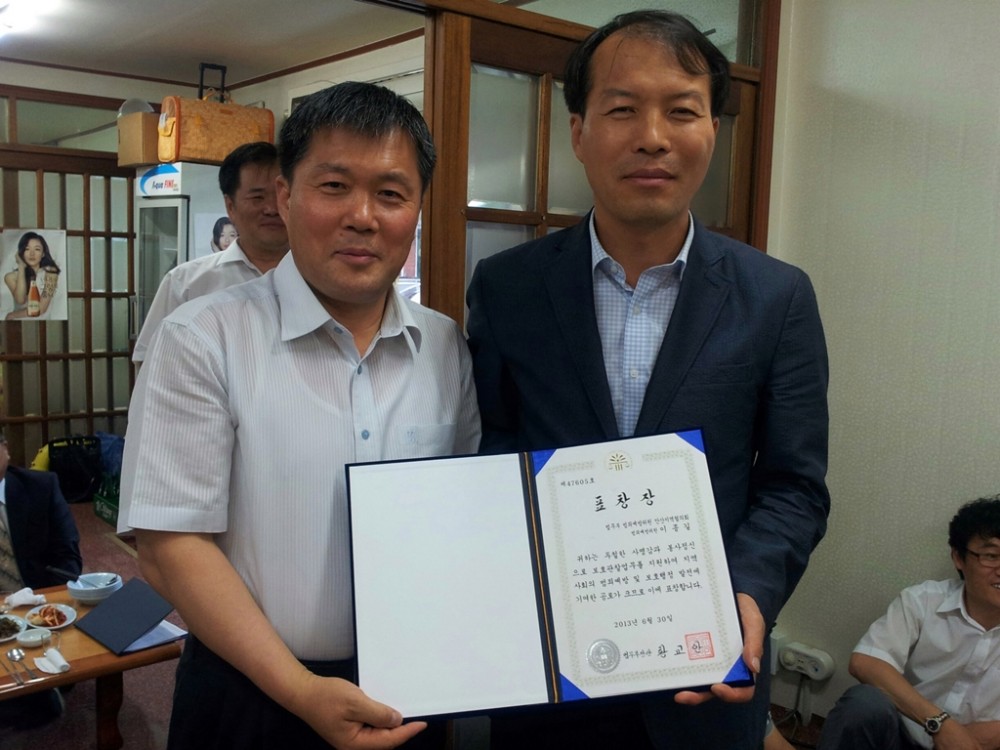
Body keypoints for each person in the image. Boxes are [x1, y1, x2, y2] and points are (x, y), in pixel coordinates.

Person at [466, 9, 830, 749]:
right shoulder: (506, 286)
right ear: (578, 131)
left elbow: (793, 485)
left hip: (704, 672)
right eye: (623, 109)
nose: (653, 137)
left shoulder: (777, 296)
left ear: (712, 131)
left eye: (682, 111)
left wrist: (749, 592)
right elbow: (496, 443)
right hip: (550, 671)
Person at [118, 81, 480, 750]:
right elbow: (170, 546)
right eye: (334, 186)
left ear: (417, 209)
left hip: (414, 689)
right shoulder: (201, 337)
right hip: (250, 694)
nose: (362, 217)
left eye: (391, 194)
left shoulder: (444, 345)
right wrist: (299, 689)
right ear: (285, 196)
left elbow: (462, 513)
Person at [818, 495, 1000, 750]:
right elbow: (866, 662)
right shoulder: (923, 601)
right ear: (959, 558)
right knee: (863, 702)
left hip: (977, 746)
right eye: (991, 555)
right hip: (905, 734)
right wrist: (940, 723)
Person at [132, 141, 290, 363]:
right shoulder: (185, 283)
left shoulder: (322, 279)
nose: (272, 209)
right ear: (230, 206)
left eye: (282, 196)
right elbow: (150, 361)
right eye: (258, 198)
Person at [0, 431, 82, 729]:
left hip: (38, 607)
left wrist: (44, 607)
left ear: (5, 450)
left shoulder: (41, 487)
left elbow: (67, 557)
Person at [4, 231, 61, 320]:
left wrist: (12, 315)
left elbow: (42, 308)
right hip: (18, 321)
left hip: (42, 322)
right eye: (27, 249)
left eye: (37, 249)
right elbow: (20, 300)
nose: (32, 253)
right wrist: (21, 266)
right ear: (21, 252)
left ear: (43, 254)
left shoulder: (51, 273)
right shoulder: (10, 277)